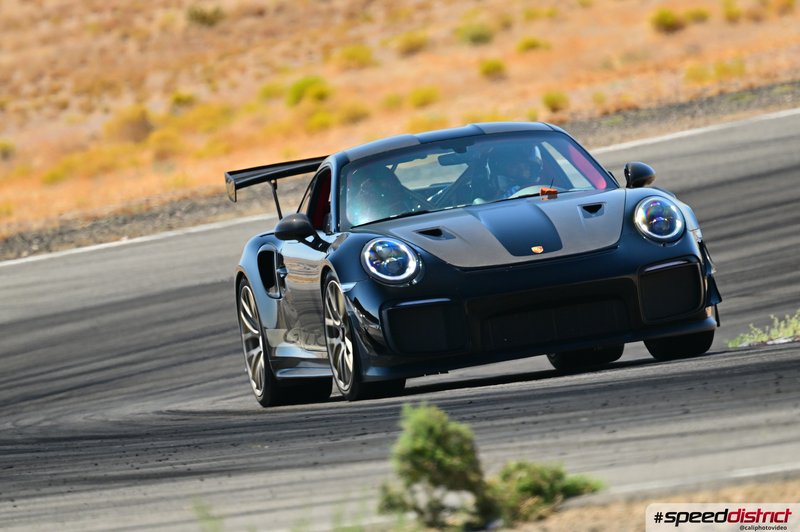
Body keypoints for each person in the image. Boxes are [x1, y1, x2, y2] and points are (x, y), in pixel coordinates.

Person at [346, 163, 426, 226]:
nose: (377, 191)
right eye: (366, 190)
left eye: (390, 184)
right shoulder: (353, 214)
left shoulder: (412, 202)